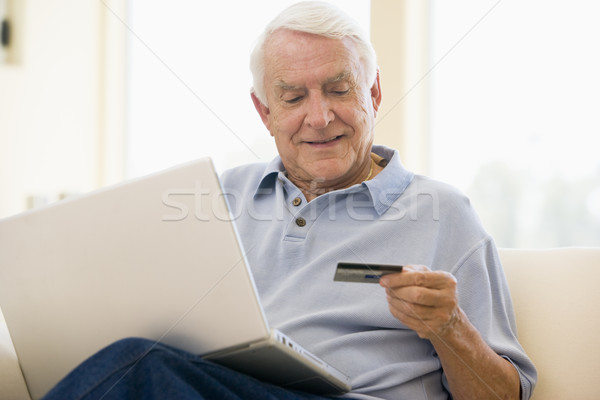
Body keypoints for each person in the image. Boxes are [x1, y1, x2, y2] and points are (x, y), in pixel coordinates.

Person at [43, 2, 536, 399]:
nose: (319, 117)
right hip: (216, 387)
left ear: (375, 92)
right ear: (264, 111)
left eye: (338, 89)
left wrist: (450, 328)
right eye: (294, 98)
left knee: (139, 368)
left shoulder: (442, 213)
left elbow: (504, 397)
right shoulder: (220, 196)